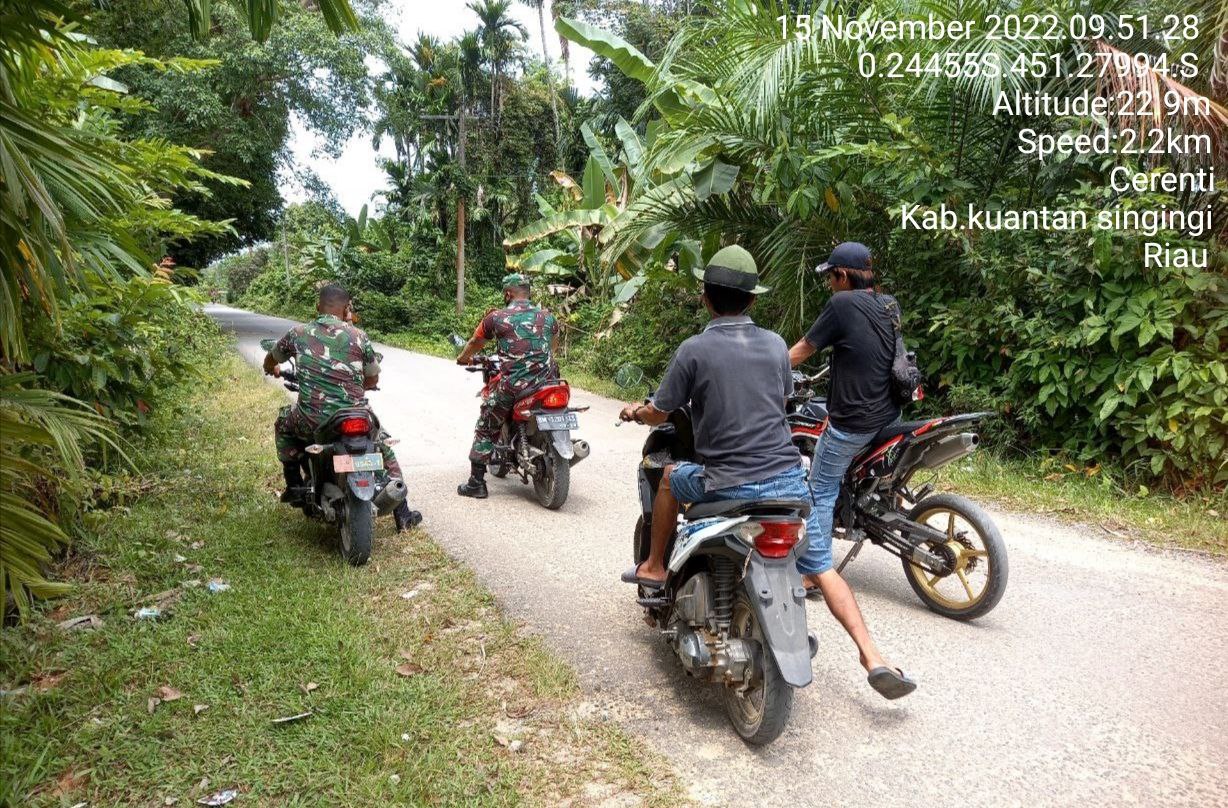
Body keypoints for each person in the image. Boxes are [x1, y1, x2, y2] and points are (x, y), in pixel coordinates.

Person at [617, 245, 810, 583]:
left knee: (668, 477)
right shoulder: (778, 344)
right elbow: (779, 405)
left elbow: (659, 413)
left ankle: (654, 567)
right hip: (789, 481)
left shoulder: (694, 349)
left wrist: (637, 413)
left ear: (705, 298)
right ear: (752, 300)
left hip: (727, 482)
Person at [787, 241, 915, 699]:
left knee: (818, 488)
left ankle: (812, 569)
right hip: (887, 419)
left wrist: (761, 369)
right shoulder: (888, 304)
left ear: (842, 275)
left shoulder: (841, 305)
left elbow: (801, 351)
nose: (828, 282)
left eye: (830, 275)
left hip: (852, 424)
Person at [263, 284, 420, 532]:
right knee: (382, 444)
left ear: (318, 306)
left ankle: (294, 485)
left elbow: (271, 358)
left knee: (283, 423)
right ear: (346, 308)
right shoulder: (359, 336)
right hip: (355, 417)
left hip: (312, 420)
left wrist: (269, 366)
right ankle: (403, 513)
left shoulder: (297, 333)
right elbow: (373, 379)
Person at [455, 273, 560, 499]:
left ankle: (476, 482)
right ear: (528, 293)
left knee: (486, 424)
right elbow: (553, 347)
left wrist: (463, 358)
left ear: (507, 294)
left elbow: (475, 342)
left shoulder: (497, 318)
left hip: (513, 386)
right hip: (547, 383)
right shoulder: (548, 317)